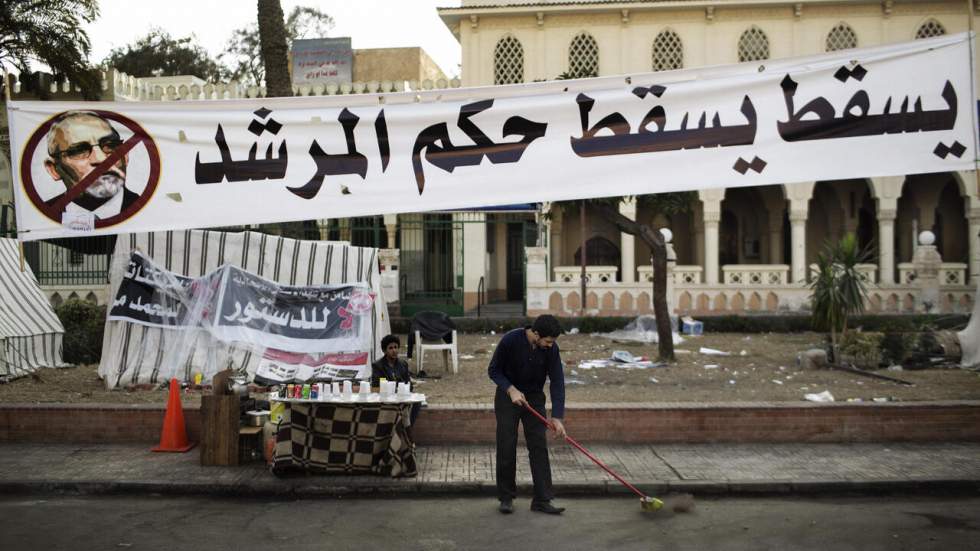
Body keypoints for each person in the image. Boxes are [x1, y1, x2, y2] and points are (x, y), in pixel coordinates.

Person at [488, 314, 566, 515]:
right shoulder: (510, 340)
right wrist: (510, 389)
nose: (550, 346)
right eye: (548, 341)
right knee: (506, 444)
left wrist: (557, 417)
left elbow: (557, 381)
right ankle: (506, 497)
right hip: (508, 397)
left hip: (534, 397)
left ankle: (542, 499)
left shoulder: (551, 349)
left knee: (539, 446)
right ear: (536, 333)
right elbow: (494, 370)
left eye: (552, 342)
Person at [43, 111, 139, 220]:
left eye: (110, 146)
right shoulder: (39, 217)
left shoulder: (149, 212)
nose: (101, 159)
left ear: (125, 156)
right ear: (53, 169)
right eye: (79, 151)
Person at [371, 334, 419, 426]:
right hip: (387, 398)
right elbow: (378, 386)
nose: (394, 350)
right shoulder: (378, 366)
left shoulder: (403, 364)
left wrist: (406, 390)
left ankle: (407, 427)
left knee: (417, 403)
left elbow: (409, 384)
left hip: (402, 397)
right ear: (384, 350)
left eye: (396, 347)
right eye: (390, 348)